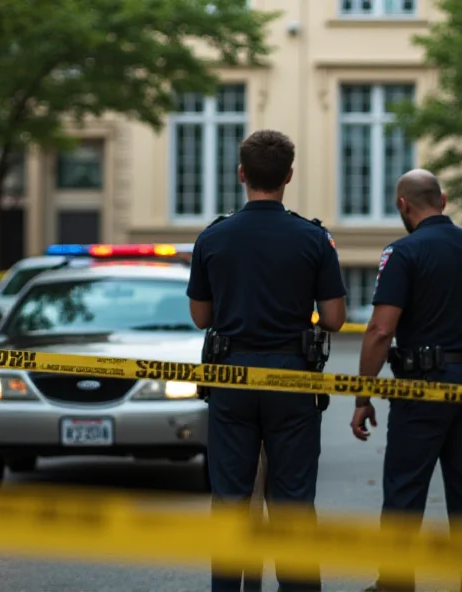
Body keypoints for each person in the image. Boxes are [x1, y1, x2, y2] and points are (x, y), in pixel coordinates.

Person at [187, 129, 347, 592]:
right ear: (288, 176)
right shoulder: (313, 238)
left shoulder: (214, 237)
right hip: (292, 380)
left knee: (230, 503)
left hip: (232, 378)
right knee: (294, 503)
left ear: (242, 174)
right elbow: (334, 318)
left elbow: (201, 317)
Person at [351, 169, 462, 592]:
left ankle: (397, 585)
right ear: (443, 200)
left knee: (405, 491)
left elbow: (381, 331)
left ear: (403, 205)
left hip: (421, 389)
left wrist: (362, 395)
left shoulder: (404, 253)